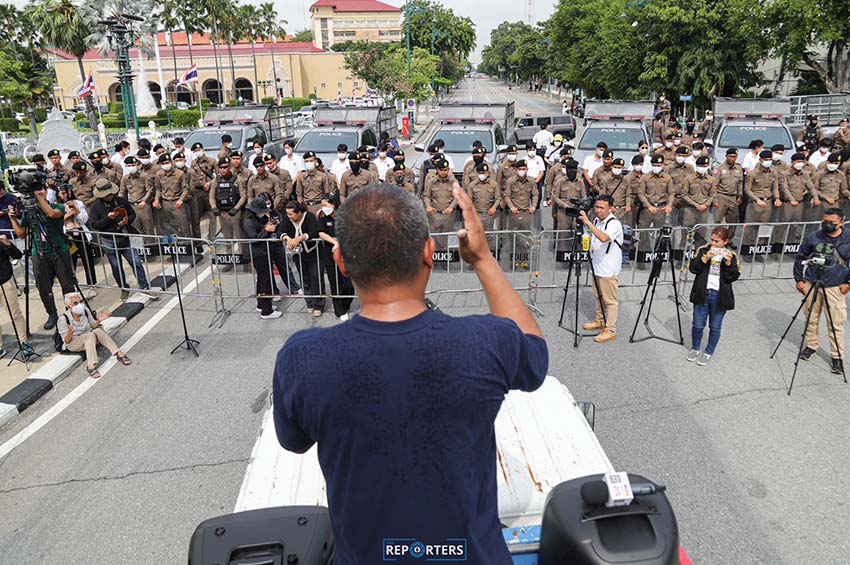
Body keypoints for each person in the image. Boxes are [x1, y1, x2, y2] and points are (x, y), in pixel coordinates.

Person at [272, 183, 547, 564]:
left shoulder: (302, 358)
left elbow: (294, 441)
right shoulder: (485, 342)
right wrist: (483, 259)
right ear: (429, 253)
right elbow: (535, 357)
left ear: (341, 262)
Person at [9, 181, 75, 330]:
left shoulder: (57, 207)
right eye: (35, 190)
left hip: (58, 250)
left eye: (41, 190)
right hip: (38, 252)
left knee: (67, 284)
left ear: (46, 191)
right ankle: (52, 314)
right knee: (43, 287)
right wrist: (12, 219)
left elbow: (52, 214)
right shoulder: (28, 212)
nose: (38, 192)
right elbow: (21, 234)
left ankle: (71, 313)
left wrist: (37, 198)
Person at [793, 208, 850, 374]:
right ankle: (811, 346)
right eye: (825, 221)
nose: (827, 225)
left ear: (841, 222)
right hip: (812, 283)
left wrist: (848, 283)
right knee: (811, 317)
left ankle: (837, 357)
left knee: (835, 323)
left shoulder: (848, 238)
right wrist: (799, 279)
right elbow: (800, 257)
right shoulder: (814, 236)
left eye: (831, 222)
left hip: (835, 286)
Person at [88, 179, 156, 301]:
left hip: (125, 237)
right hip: (109, 240)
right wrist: (108, 218)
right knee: (116, 266)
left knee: (136, 262)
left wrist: (126, 220)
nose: (110, 196)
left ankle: (144, 286)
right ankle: (124, 288)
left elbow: (132, 214)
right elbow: (95, 225)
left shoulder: (121, 201)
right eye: (107, 194)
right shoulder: (95, 208)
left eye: (110, 193)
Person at [687, 227, 741, 365]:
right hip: (703, 292)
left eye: (717, 241)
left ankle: (709, 351)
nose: (713, 244)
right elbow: (693, 268)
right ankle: (695, 348)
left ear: (725, 242)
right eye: (712, 240)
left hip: (719, 295)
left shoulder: (731, 255)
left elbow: (733, 276)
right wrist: (705, 259)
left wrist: (728, 263)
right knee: (698, 324)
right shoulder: (703, 250)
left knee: (715, 326)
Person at [579, 195, 623, 343]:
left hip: (608, 268)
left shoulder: (614, 223)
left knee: (610, 301)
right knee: (598, 295)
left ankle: (611, 330)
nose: (598, 210)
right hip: (597, 265)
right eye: (596, 207)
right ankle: (600, 320)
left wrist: (587, 222)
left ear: (610, 208)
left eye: (602, 208)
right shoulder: (597, 221)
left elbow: (604, 238)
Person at [58, 292, 131, 378]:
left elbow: (93, 326)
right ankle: (91, 366)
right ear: (69, 306)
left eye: (80, 301)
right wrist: (70, 332)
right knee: (90, 335)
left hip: (89, 339)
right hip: (74, 343)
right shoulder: (63, 319)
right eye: (75, 303)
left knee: (97, 331)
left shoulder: (85, 311)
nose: (80, 305)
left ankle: (118, 353)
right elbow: (67, 341)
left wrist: (99, 320)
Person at [242, 197, 288, 319]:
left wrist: (267, 227)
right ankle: (266, 311)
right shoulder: (248, 221)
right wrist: (266, 230)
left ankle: (261, 304)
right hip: (259, 254)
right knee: (265, 281)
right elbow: (254, 238)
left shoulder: (255, 219)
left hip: (263, 252)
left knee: (261, 280)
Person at [281, 200, 324, 316]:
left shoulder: (309, 217)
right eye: (287, 214)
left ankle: (318, 305)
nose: (289, 216)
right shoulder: (287, 219)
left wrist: (300, 238)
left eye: (291, 214)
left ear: (299, 212)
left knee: (316, 278)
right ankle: (309, 303)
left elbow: (313, 232)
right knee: (304, 279)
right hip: (298, 254)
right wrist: (287, 238)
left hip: (313, 252)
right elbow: (281, 231)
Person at [316, 194, 354, 320]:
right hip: (329, 254)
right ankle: (339, 310)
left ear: (333, 204)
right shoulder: (323, 220)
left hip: (345, 255)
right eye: (322, 205)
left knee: (348, 286)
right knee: (335, 284)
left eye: (326, 205)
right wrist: (334, 243)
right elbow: (321, 233)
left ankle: (345, 305)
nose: (323, 207)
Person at [55, 185, 97, 294]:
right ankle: (72, 285)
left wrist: (76, 208)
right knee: (69, 262)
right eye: (63, 193)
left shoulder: (78, 203)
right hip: (67, 236)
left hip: (81, 233)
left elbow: (84, 219)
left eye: (68, 192)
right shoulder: (56, 206)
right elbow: (55, 223)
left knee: (87, 260)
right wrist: (66, 215)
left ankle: (92, 284)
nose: (66, 195)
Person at [209, 158, 248, 272]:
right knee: (227, 238)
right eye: (221, 167)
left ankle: (243, 260)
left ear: (229, 167)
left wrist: (236, 208)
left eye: (225, 167)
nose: (223, 169)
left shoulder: (237, 179)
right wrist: (214, 207)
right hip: (222, 213)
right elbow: (211, 197)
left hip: (234, 213)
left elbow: (243, 196)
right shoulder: (216, 181)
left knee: (239, 237)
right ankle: (230, 259)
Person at [0, 233, 33, 359]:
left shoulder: (1, 240)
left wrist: (8, 244)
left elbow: (17, 255)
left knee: (15, 314)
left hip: (5, 282)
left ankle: (24, 343)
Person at [187, 142, 218, 241]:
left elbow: (219, 175)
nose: (197, 152)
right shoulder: (193, 163)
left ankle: (212, 238)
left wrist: (210, 183)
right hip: (197, 192)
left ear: (203, 150)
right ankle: (198, 239)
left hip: (209, 191)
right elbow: (191, 176)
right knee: (196, 217)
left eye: (199, 150)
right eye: (195, 151)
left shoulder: (212, 161)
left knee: (212, 215)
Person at [119, 155, 156, 236]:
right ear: (126, 166)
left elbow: (149, 190)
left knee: (148, 228)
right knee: (135, 229)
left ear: (137, 165)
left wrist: (144, 201)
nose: (131, 167)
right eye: (129, 166)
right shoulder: (125, 178)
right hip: (132, 205)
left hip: (144, 205)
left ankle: (151, 243)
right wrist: (122, 203)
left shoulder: (144, 176)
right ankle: (138, 244)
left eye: (133, 165)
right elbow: (122, 192)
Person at [712, 148, 744, 240]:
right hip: (722, 196)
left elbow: (740, 183)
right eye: (730, 156)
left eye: (734, 157)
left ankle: (728, 240)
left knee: (734, 220)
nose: (732, 158)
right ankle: (716, 239)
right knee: (718, 220)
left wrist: (740, 195)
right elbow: (714, 185)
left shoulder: (738, 167)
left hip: (733, 197)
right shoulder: (720, 168)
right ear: (726, 156)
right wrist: (715, 199)